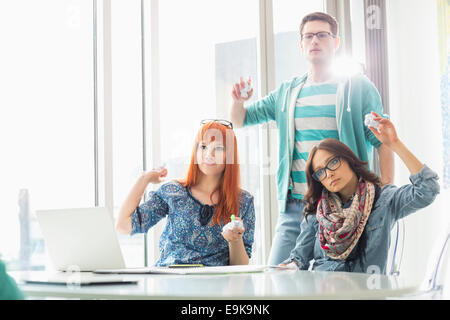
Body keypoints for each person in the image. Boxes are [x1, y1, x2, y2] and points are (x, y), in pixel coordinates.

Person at [230, 11, 394, 265]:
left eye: (322, 35)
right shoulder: (287, 92)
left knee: (338, 284)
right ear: (301, 44)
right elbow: (240, 120)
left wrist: (384, 195)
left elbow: (382, 141)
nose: (314, 41)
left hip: (346, 206)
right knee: (279, 279)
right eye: (308, 36)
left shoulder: (358, 88)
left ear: (336, 42)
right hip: (297, 206)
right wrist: (238, 101)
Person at [279, 112, 440, 273]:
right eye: (320, 172)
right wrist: (289, 266)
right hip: (323, 292)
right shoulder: (317, 211)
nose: (329, 174)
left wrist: (395, 144)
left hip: (366, 291)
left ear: (348, 159)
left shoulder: (383, 200)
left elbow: (427, 189)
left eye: (332, 162)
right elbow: (298, 260)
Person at [116, 120, 255, 266]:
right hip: (169, 282)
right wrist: (144, 179)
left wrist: (235, 240)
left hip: (215, 285)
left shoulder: (243, 201)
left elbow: (239, 267)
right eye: (203, 147)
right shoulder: (173, 192)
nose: (209, 154)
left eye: (218, 148)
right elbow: (123, 226)